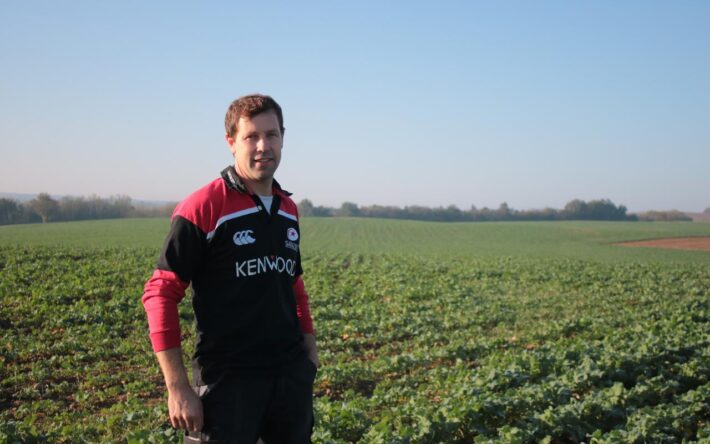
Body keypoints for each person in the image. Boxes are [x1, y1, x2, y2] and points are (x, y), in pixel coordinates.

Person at [142, 94, 318, 443]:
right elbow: (160, 292)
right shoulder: (204, 206)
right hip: (228, 382)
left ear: (283, 138)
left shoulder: (287, 209)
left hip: (288, 380)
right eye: (251, 136)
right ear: (231, 142)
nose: (263, 146)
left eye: (272, 135)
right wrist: (177, 386)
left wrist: (309, 349)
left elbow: (292, 282)